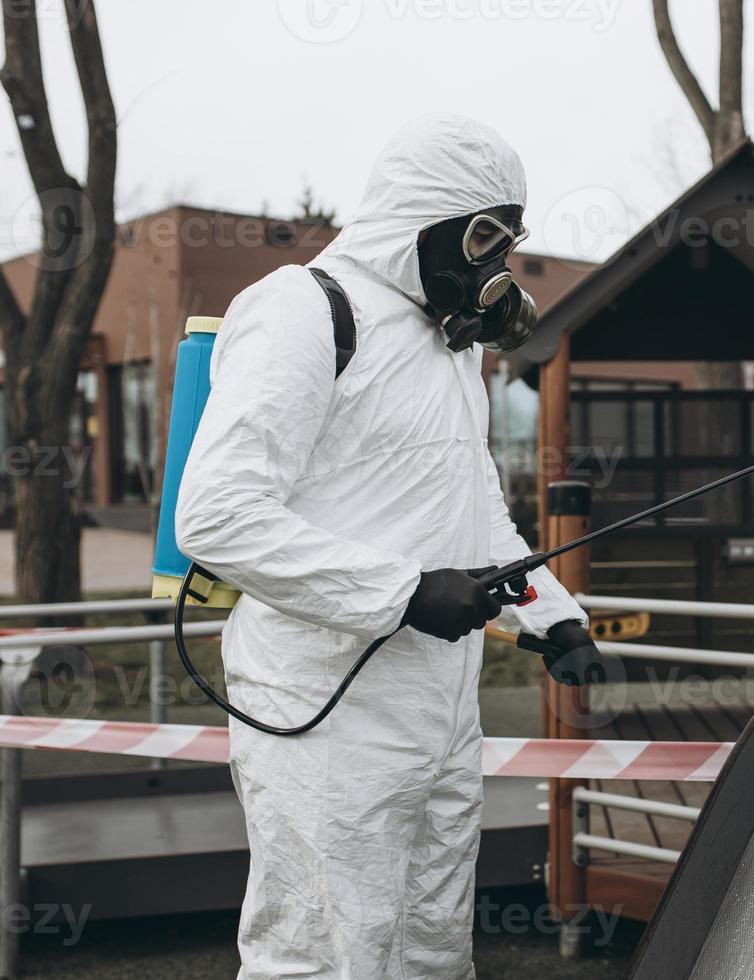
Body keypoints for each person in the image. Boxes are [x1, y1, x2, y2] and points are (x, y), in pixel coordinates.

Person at [175, 114, 602, 979]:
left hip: (439, 703)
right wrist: (403, 591)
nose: (495, 262)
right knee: (328, 950)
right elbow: (217, 515)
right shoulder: (306, 308)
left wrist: (553, 620)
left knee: (431, 944)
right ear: (422, 216)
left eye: (507, 240)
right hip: (326, 704)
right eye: (482, 234)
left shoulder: (451, 348)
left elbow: (475, 511)